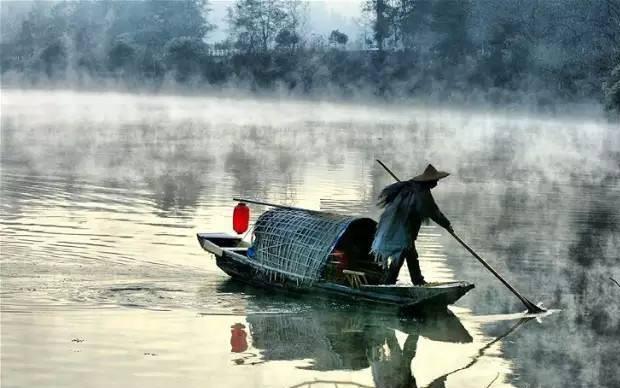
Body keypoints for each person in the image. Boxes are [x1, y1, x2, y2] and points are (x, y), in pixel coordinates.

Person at [371, 164, 453, 285]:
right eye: (435, 180)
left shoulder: (408, 186)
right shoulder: (423, 194)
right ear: (429, 181)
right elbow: (434, 212)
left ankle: (417, 281)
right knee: (401, 256)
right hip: (403, 229)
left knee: (411, 255)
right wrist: (447, 225)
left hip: (399, 226)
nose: (436, 183)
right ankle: (389, 283)